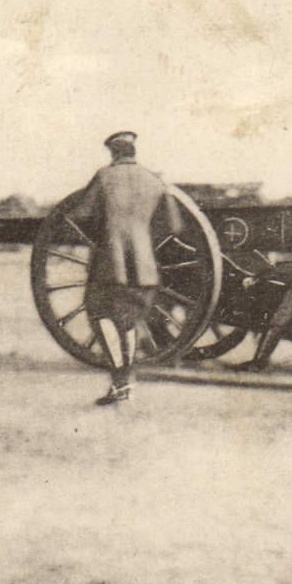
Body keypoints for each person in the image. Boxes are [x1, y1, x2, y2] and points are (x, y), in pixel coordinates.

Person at [72, 131, 182, 406]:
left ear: (113, 152)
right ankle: (126, 382)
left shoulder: (104, 176)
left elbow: (81, 215)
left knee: (100, 316)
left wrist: (103, 235)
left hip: (110, 264)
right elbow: (174, 225)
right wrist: (144, 238)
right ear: (133, 151)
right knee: (129, 322)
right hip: (145, 267)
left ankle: (120, 381)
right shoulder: (154, 180)